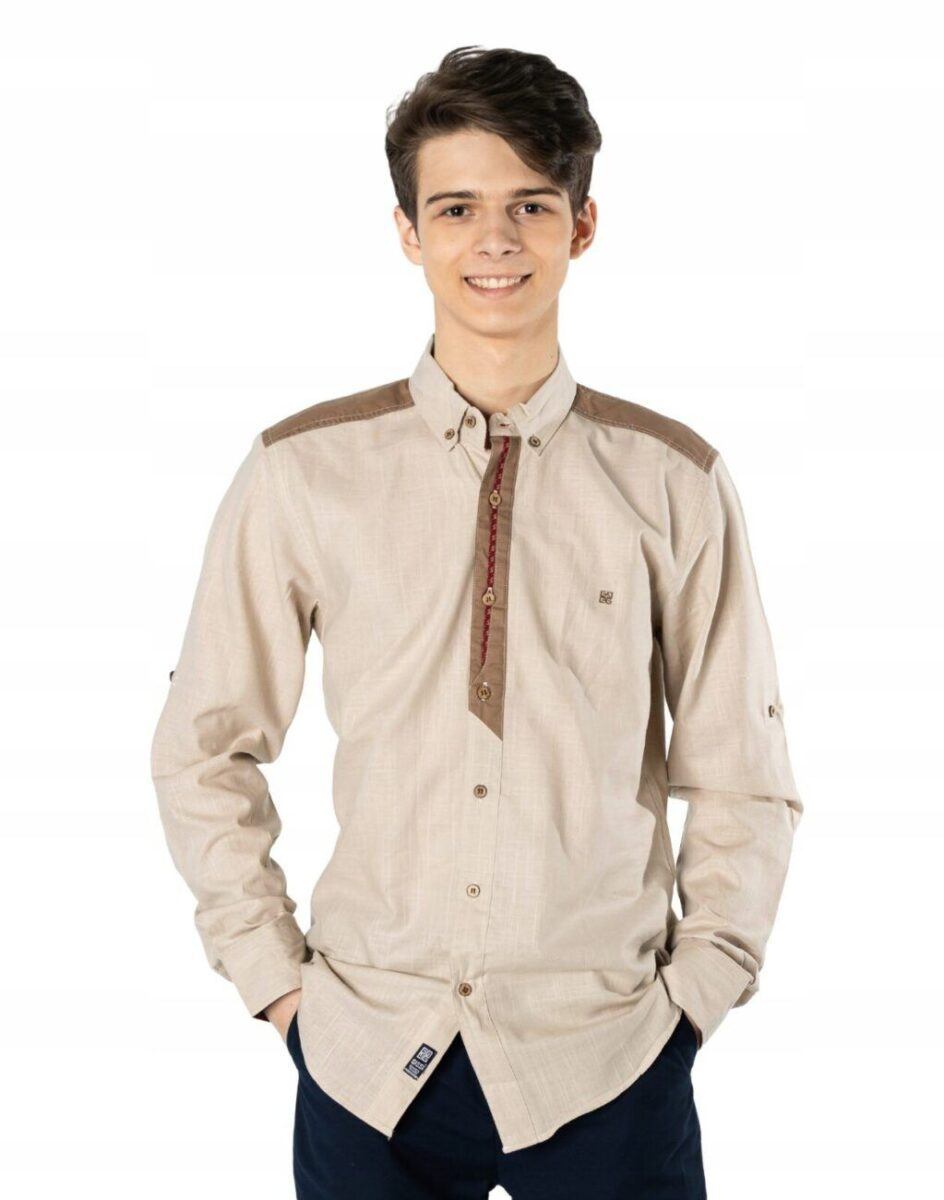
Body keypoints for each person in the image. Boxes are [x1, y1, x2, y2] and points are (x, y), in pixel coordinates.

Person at [150, 44, 803, 1199]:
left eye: (528, 206)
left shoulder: (672, 480)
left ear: (580, 226)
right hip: (366, 1056)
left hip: (606, 1056)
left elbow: (741, 775)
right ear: (408, 232)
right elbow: (202, 747)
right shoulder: (302, 472)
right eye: (455, 208)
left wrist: (694, 999)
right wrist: (277, 985)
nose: (493, 239)